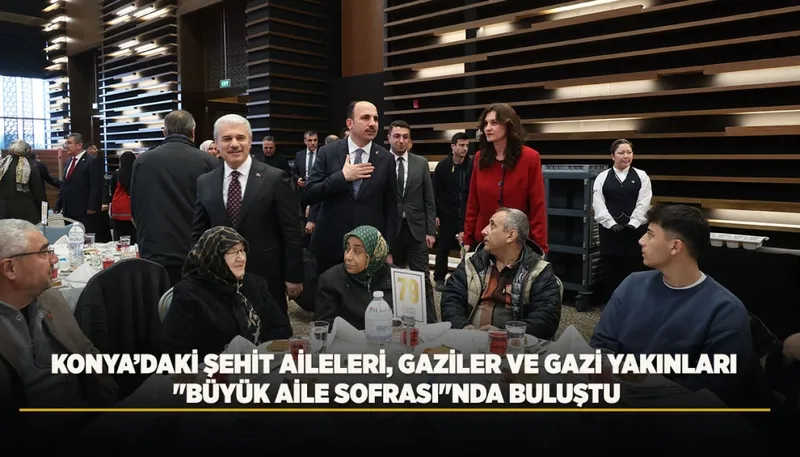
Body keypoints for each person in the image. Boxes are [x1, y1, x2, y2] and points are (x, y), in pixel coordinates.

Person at [590, 204, 753, 404]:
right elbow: (601, 345)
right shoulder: (632, 285)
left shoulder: (725, 311)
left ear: (675, 246)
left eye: (650, 235)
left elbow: (712, 389)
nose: (641, 241)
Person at [0, 219, 117, 432]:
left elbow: (89, 357)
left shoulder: (51, 299)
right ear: (10, 268)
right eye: (44, 253)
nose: (54, 259)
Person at [192, 114, 304, 315]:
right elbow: (199, 233)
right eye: (227, 138)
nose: (234, 144)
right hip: (220, 279)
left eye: (240, 138)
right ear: (216, 144)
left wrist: (293, 276)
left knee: (271, 331)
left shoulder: (274, 178)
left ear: (250, 142)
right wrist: (196, 272)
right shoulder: (205, 182)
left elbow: (292, 232)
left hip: (266, 277)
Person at [302, 101, 398, 276]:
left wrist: (387, 248)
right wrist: (342, 177)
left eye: (376, 119)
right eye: (365, 118)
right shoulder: (328, 152)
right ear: (350, 123)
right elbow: (309, 194)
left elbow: (391, 210)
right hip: (330, 248)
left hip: (368, 251)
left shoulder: (386, 158)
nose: (372, 123)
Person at [162, 226, 292, 356]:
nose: (241, 258)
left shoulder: (255, 284)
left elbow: (281, 327)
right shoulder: (189, 293)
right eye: (232, 252)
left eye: (242, 250)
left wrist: (266, 352)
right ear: (214, 256)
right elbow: (176, 351)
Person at [441, 208, 561, 340]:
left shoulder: (539, 271)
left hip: (515, 347)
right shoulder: (472, 262)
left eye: (492, 225)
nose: (483, 231)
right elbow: (451, 299)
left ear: (511, 236)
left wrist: (506, 334)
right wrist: (463, 327)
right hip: (468, 341)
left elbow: (546, 318)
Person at [130, 110, 218, 286]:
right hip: (196, 252)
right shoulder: (209, 162)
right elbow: (215, 212)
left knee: (157, 299)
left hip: (153, 250)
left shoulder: (142, 161)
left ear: (165, 132)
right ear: (193, 132)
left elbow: (134, 210)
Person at [463, 103, 548, 254]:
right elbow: (473, 203)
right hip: (484, 242)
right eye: (486, 124)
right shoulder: (479, 158)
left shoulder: (530, 158)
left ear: (508, 125)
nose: (488, 128)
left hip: (517, 244)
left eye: (494, 123)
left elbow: (537, 206)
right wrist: (467, 238)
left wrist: (540, 247)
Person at [315, 225, 437, 329]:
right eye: (347, 249)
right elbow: (325, 328)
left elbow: (426, 326)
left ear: (374, 254)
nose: (348, 257)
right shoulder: (331, 280)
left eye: (357, 251)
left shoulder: (401, 280)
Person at [592, 139, 652, 305]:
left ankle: (634, 304)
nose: (626, 156)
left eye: (629, 152)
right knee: (611, 269)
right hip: (610, 231)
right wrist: (611, 223)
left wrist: (634, 222)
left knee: (634, 267)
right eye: (621, 153)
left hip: (635, 231)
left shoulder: (641, 176)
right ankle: (612, 305)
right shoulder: (602, 177)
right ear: (613, 156)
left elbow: (644, 201)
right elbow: (598, 203)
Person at [387, 120, 437, 314]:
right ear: (389, 138)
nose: (401, 140)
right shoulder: (381, 162)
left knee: (422, 278)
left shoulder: (421, 163)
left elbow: (429, 199)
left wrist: (431, 231)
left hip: (416, 230)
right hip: (390, 231)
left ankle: (430, 319)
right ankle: (394, 318)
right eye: (397, 136)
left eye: (405, 137)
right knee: (390, 278)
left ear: (409, 140)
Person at [433, 132, 471, 291]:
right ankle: (439, 278)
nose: (465, 148)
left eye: (467, 145)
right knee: (443, 247)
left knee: (467, 249)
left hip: (466, 213)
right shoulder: (443, 166)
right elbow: (434, 191)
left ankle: (465, 280)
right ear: (453, 146)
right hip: (446, 213)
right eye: (461, 145)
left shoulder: (471, 166)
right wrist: (436, 214)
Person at [55, 133, 104, 234]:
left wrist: (92, 207)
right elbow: (65, 185)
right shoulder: (68, 161)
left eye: (69, 143)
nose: (66, 146)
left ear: (79, 145)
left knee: (84, 237)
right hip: (68, 210)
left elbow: (96, 186)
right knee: (71, 236)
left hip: (84, 210)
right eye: (66, 143)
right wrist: (59, 204)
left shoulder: (92, 161)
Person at [0, 140, 46, 223]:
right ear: (27, 151)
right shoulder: (30, 167)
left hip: (3, 211)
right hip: (25, 211)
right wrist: (44, 215)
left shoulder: (2, 166)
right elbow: (38, 193)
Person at [108, 151, 136, 242]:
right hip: (133, 208)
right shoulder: (137, 173)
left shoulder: (117, 174)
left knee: (119, 236)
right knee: (134, 236)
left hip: (118, 209)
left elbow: (112, 191)